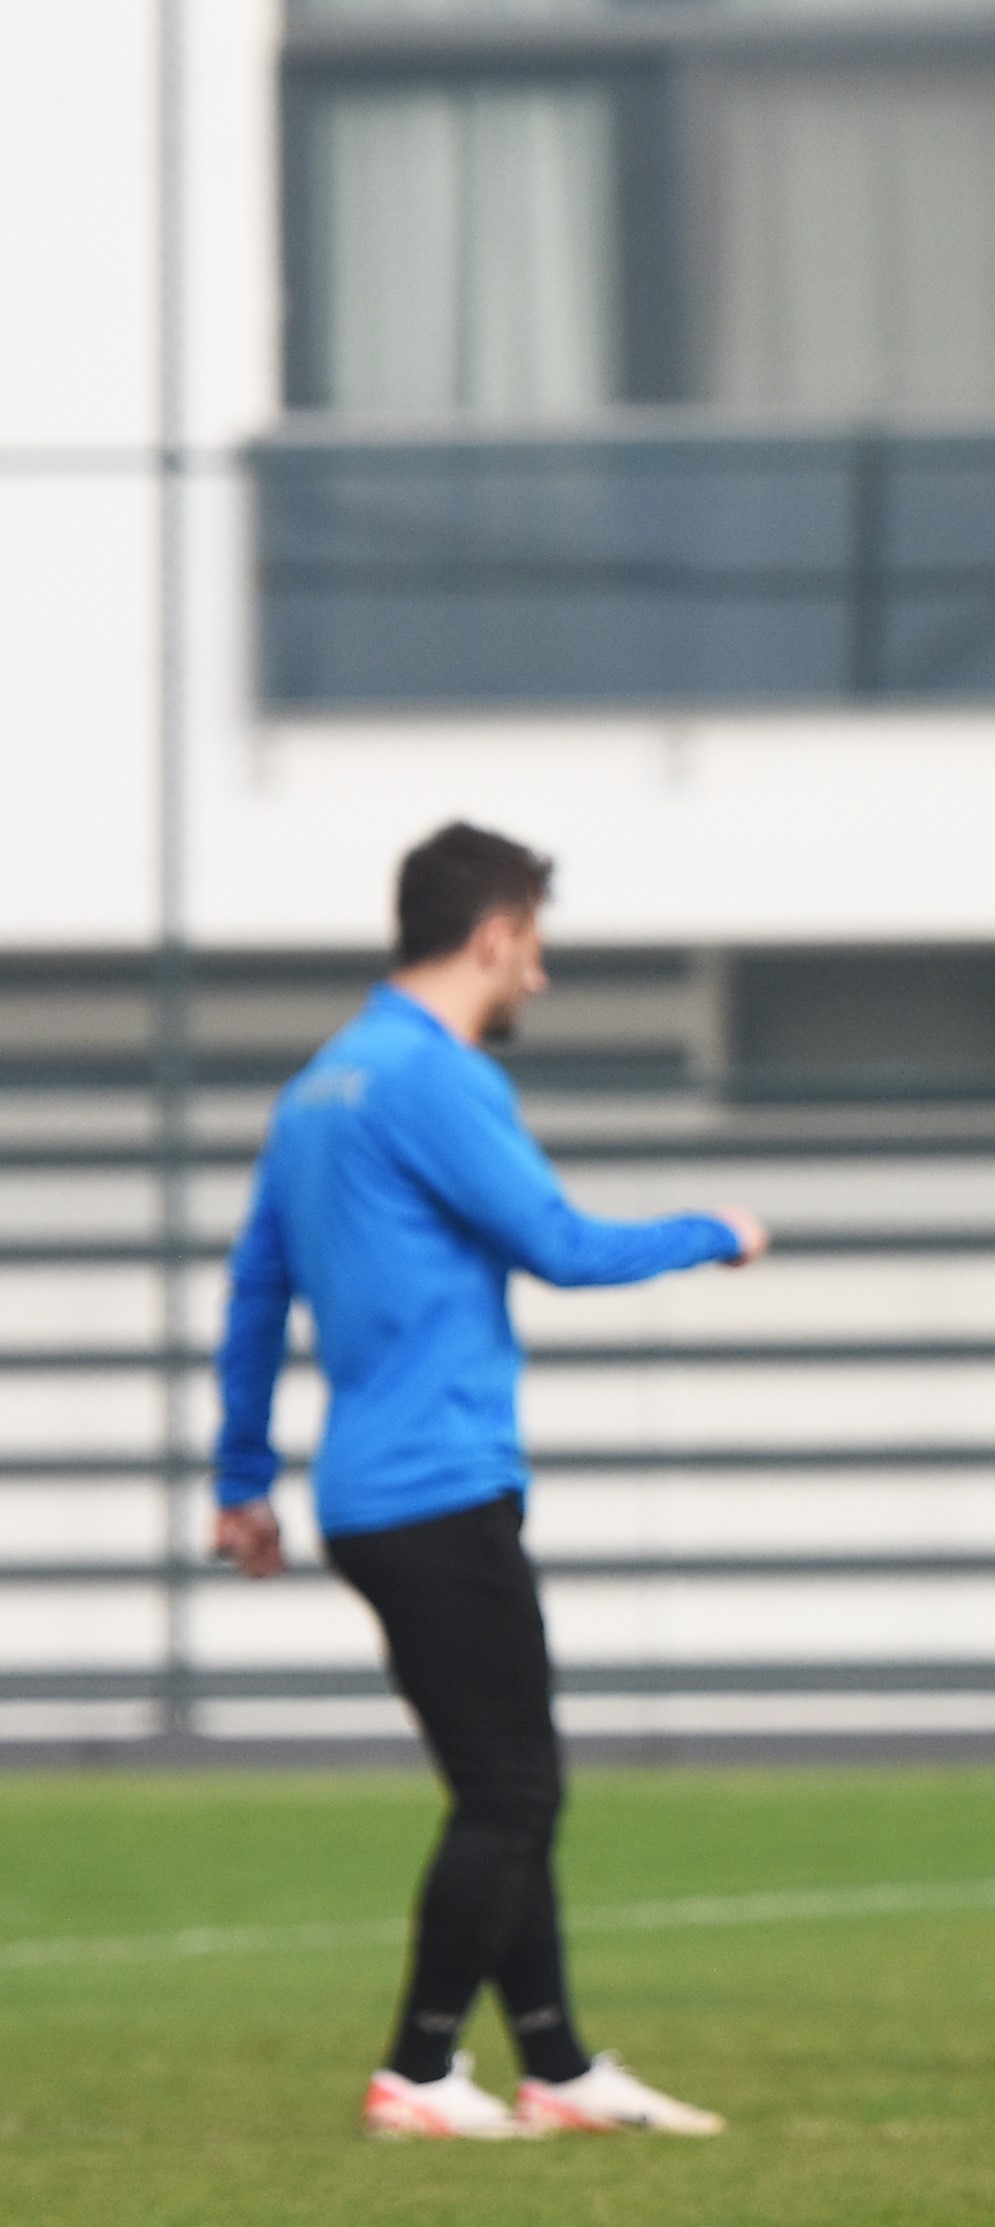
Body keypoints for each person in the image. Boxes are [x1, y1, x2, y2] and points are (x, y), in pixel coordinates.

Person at [208, 823, 766, 2143]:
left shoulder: (318, 1087)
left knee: (504, 1783)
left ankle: (560, 2067)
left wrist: (242, 1475)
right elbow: (561, 1247)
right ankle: (416, 2068)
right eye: (537, 950)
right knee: (515, 1789)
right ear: (496, 935)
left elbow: (253, 1295)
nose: (541, 980)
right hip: (439, 1487)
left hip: (365, 1493)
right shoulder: (432, 1079)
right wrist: (716, 1234)